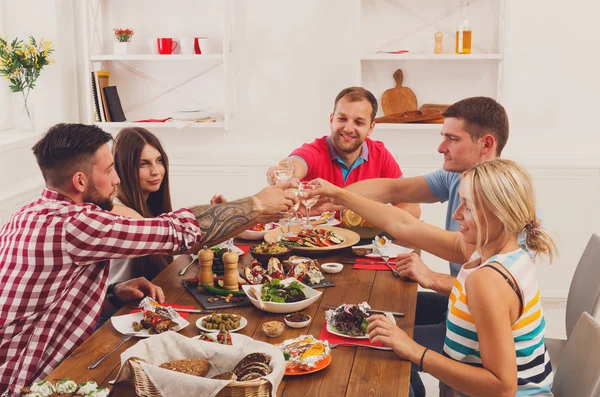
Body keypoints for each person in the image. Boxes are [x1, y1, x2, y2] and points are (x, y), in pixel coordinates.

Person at [0, 123, 295, 395]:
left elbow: (48, 296)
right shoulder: (75, 225)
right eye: (110, 169)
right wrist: (257, 203)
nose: (116, 178)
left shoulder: (26, 214)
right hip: (30, 382)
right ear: (80, 181)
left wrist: (113, 292)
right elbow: (177, 232)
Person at [309, 158, 555, 397]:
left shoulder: (487, 280)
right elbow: (403, 224)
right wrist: (338, 196)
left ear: (499, 214)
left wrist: (414, 350)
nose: (457, 214)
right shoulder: (502, 250)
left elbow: (502, 389)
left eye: (468, 206)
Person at [336, 96, 510, 395]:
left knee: (374, 342)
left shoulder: (503, 211)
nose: (441, 147)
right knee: (374, 313)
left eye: (452, 139)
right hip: (461, 307)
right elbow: (393, 188)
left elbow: (497, 297)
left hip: (477, 325)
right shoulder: (459, 178)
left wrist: (434, 279)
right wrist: (335, 195)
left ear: (486, 144)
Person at [266, 86, 420, 218]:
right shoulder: (314, 150)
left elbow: (412, 208)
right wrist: (284, 170)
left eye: (358, 122)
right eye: (342, 119)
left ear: (370, 128)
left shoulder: (380, 154)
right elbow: (297, 164)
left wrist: (375, 220)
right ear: (331, 120)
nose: (348, 128)